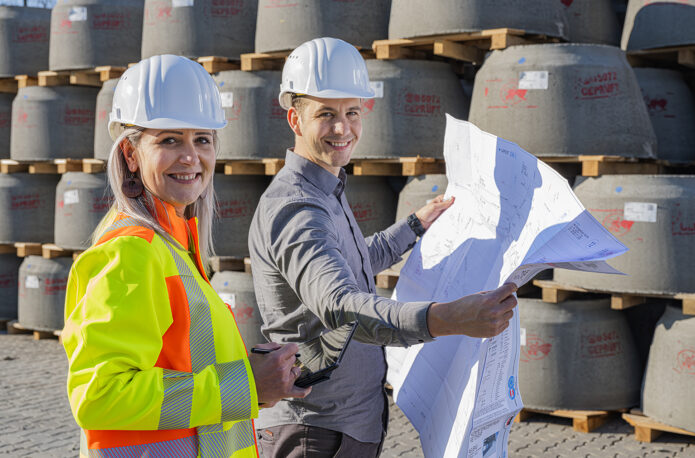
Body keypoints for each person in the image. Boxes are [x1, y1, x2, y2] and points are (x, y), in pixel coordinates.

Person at [248, 37, 518, 457]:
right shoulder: (297, 208)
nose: (343, 129)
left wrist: (413, 226)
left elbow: (353, 263)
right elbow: (343, 304)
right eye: (326, 114)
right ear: (295, 120)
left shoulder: (324, 188)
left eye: (352, 113)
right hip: (315, 433)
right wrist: (451, 318)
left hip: (345, 423)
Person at [62, 54, 310, 458]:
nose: (191, 156)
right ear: (129, 153)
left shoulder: (176, 246)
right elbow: (100, 394)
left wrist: (253, 377)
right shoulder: (130, 253)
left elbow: (182, 371)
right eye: (169, 139)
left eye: (203, 139)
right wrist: (245, 384)